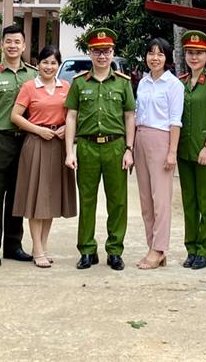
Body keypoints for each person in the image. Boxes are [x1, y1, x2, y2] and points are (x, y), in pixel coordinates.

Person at [64, 27, 136, 270]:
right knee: (87, 200)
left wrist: (129, 148)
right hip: (87, 147)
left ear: (112, 52)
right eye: (97, 51)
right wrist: (69, 152)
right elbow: (71, 117)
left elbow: (129, 116)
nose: (102, 56)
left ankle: (115, 250)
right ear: (90, 53)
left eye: (106, 51)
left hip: (115, 146)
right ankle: (87, 250)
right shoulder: (79, 82)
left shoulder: (123, 83)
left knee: (118, 202)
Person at [10, 45, 77, 268]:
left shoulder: (66, 87)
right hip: (36, 144)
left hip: (58, 145)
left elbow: (72, 116)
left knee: (50, 200)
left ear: (59, 65)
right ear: (37, 64)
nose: (49, 67)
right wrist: (38, 130)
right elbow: (16, 116)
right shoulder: (29, 87)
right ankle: (36, 249)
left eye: (53, 63)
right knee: (36, 199)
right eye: (45, 62)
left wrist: (63, 130)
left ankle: (43, 246)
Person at [0, 24, 36, 266]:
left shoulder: (32, 75)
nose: (12, 46)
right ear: (2, 45)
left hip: (25, 140)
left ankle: (13, 245)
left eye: (17, 42)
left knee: (17, 195)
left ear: (24, 46)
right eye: (8, 41)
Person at [176, 30, 206, 270]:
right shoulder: (181, 82)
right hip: (184, 151)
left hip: (205, 151)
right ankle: (191, 248)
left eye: (199, 53)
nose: (194, 57)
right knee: (189, 202)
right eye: (190, 52)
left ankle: (205, 250)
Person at [132, 37, 184, 269]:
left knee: (160, 199)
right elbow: (135, 114)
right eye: (151, 53)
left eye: (160, 54)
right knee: (145, 200)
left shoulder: (174, 85)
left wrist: (172, 152)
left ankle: (160, 248)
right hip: (140, 138)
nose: (155, 58)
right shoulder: (143, 83)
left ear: (167, 59)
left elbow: (175, 121)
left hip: (162, 140)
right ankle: (152, 246)